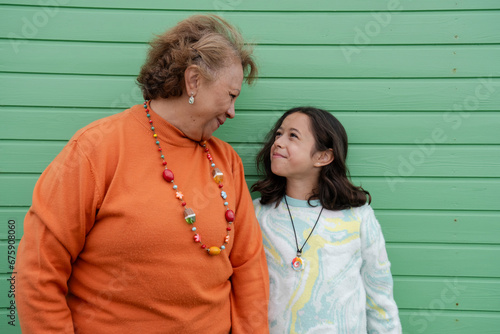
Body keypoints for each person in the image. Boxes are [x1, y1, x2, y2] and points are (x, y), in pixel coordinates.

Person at [15, 14, 269, 334]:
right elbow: (37, 271)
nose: (233, 111)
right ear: (193, 80)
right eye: (231, 95)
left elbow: (249, 270)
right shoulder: (97, 148)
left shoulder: (226, 161)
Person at [252, 107, 402, 333]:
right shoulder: (257, 214)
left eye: (293, 135)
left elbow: (380, 299)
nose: (278, 142)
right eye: (278, 134)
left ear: (323, 156)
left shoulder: (358, 216)